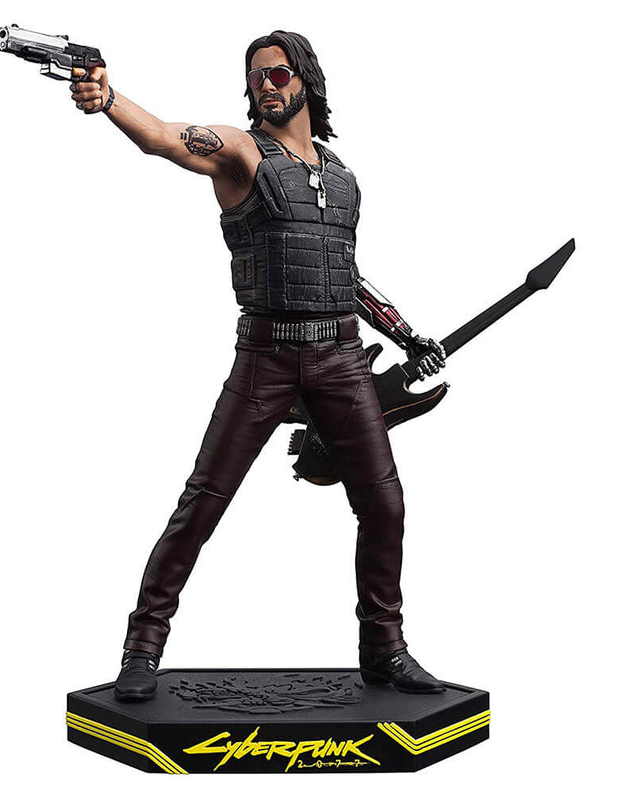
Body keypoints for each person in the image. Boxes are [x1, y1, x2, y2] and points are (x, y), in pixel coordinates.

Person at [68, 30, 447, 700]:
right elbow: (162, 136)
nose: (265, 86)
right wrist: (109, 98)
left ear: (305, 79)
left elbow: (345, 276)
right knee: (203, 502)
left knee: (384, 504)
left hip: (341, 360)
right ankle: (142, 648)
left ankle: (385, 649)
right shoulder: (242, 154)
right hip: (265, 359)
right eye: (254, 77)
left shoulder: (342, 179)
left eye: (277, 74)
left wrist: (406, 333)